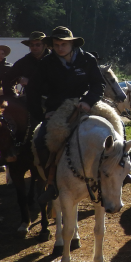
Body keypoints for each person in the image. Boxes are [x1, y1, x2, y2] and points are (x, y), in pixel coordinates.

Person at [32, 26, 107, 203]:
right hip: (57, 109)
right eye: (56, 44)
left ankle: (119, 172)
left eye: (63, 44)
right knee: (39, 141)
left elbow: (98, 85)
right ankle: (50, 182)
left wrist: (88, 101)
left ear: (72, 43)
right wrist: (44, 113)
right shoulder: (46, 63)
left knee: (115, 126)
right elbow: (34, 90)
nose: (60, 48)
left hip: (85, 105)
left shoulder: (87, 59)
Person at [2, 32, 50, 98]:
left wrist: (30, 82)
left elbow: (58, 84)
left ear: (45, 45)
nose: (34, 47)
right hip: (30, 99)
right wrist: (12, 96)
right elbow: (7, 78)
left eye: (38, 45)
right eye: (32, 45)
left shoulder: (54, 61)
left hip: (51, 99)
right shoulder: (24, 62)